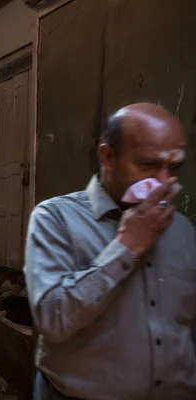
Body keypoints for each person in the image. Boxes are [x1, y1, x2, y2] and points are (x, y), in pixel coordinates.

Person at [24, 103, 196, 399]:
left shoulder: (182, 230)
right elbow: (52, 320)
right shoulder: (56, 219)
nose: (165, 181)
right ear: (107, 157)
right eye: (148, 164)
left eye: (174, 168)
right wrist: (127, 247)